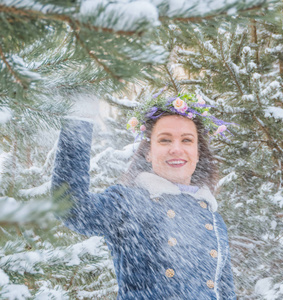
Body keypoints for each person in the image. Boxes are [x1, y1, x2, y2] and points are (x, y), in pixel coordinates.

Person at [52, 92, 237, 300]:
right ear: (148, 152)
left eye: (187, 140)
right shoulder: (127, 203)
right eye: (165, 140)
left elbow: (225, 292)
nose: (176, 149)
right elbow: (72, 208)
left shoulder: (213, 217)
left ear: (198, 152)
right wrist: (78, 120)